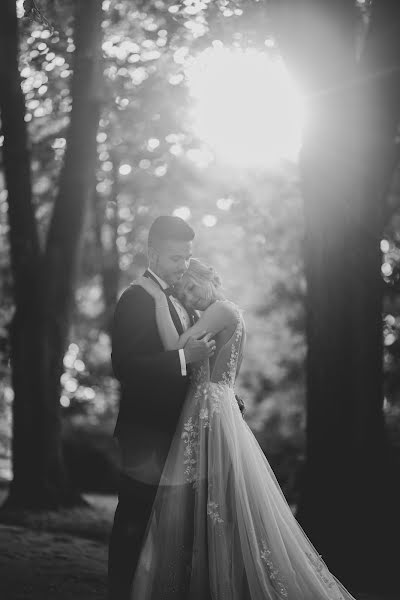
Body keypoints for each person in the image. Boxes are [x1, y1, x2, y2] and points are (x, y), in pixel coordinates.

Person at [129, 258, 358, 600]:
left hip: (209, 409)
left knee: (217, 498)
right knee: (206, 500)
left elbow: (178, 349)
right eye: (183, 292)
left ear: (209, 278)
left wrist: (162, 302)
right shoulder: (219, 313)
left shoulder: (220, 308)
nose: (189, 297)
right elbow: (219, 364)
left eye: (192, 286)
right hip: (209, 404)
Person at [108, 216, 217, 600]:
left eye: (187, 257)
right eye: (175, 258)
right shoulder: (136, 299)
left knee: (174, 531)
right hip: (145, 434)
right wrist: (184, 360)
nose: (183, 266)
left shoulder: (180, 299)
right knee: (134, 525)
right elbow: (126, 366)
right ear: (153, 254)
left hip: (178, 433)